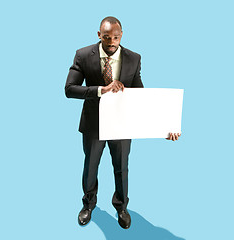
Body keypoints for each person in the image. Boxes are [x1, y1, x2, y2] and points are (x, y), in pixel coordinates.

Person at [65, 16, 181, 229]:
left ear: (121, 35)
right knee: (90, 167)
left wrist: (166, 126)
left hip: (122, 123)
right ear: (99, 35)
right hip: (93, 124)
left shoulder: (133, 58)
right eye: (107, 37)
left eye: (116, 37)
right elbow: (69, 89)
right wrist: (102, 90)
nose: (111, 42)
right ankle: (88, 204)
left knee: (121, 167)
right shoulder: (82, 55)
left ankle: (121, 206)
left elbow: (141, 97)